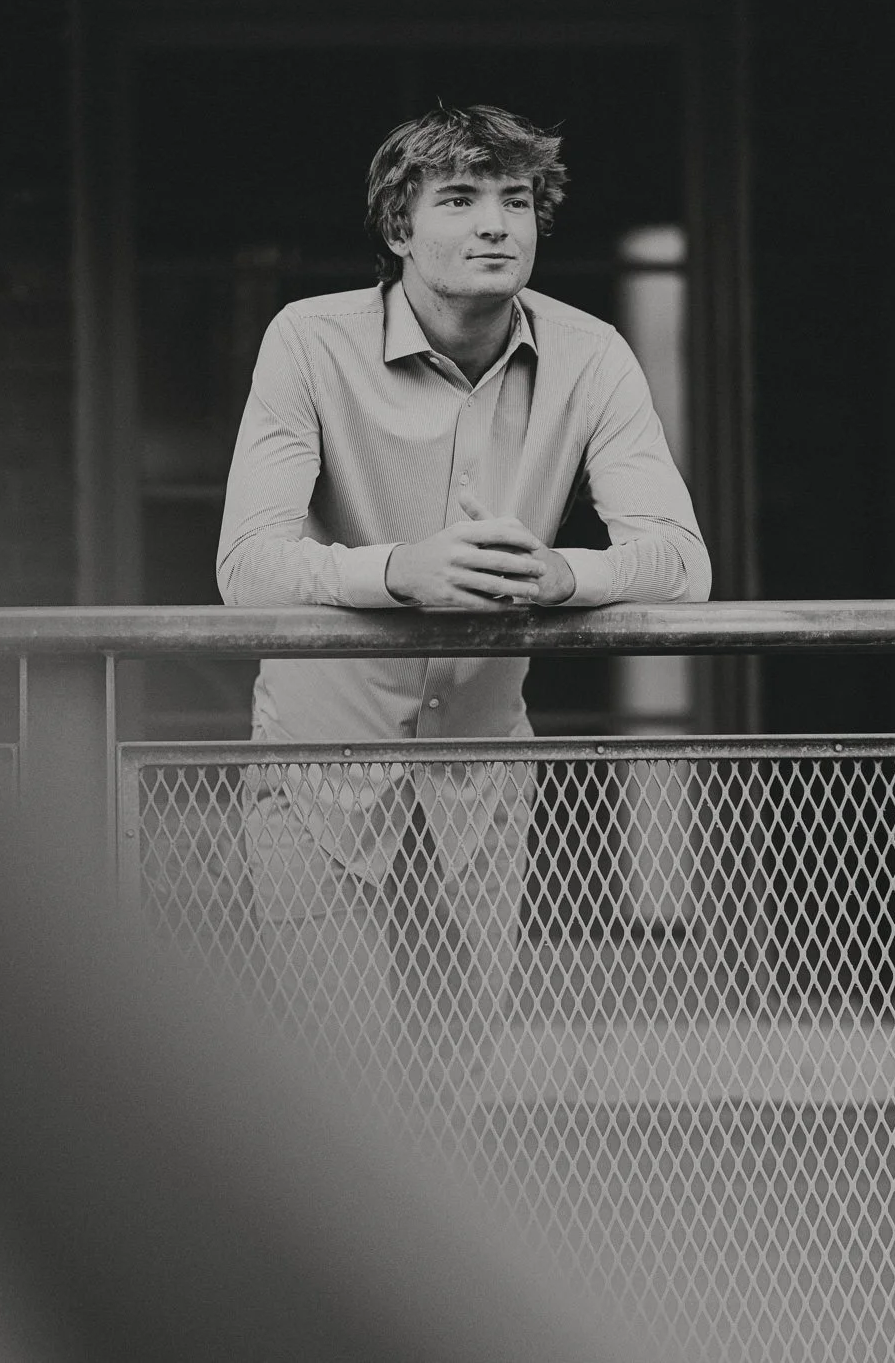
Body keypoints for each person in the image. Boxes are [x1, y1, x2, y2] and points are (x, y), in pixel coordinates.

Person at [216, 103, 711, 1129]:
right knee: (340, 1108)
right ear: (399, 230)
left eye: (516, 200)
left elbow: (678, 562)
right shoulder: (308, 341)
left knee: (448, 1106)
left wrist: (559, 576)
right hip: (320, 771)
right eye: (459, 200)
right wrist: (401, 570)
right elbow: (248, 567)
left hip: (481, 779)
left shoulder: (593, 355)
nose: (496, 225)